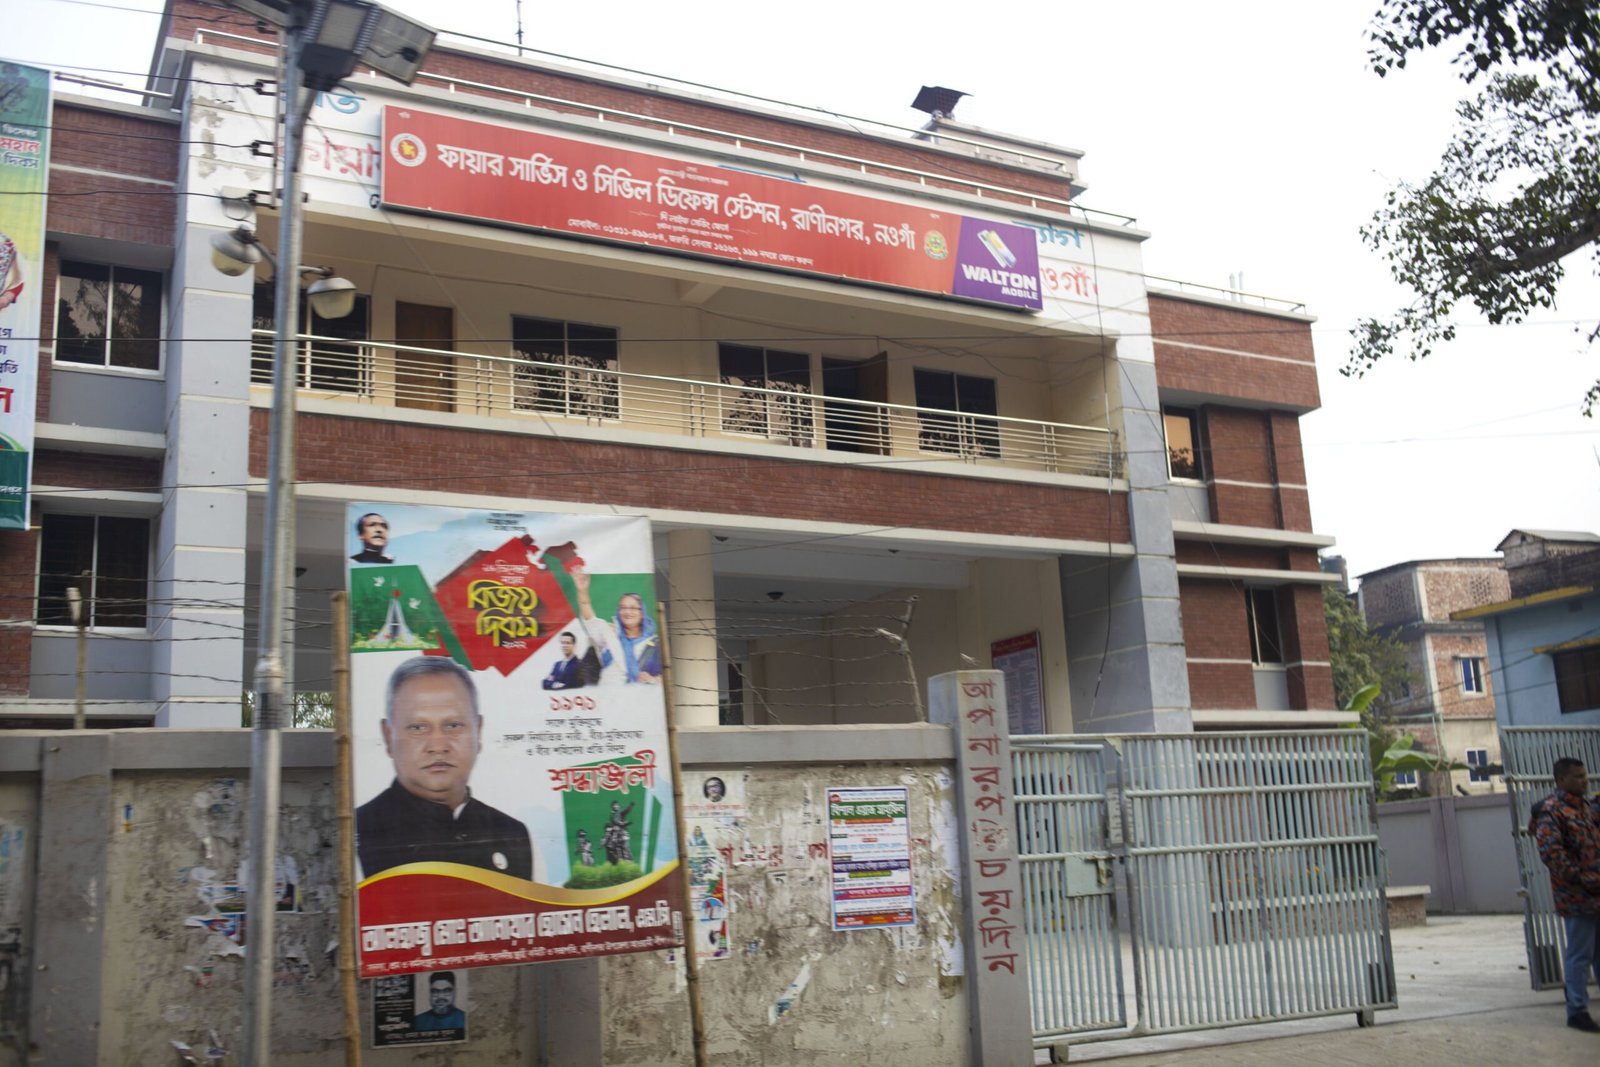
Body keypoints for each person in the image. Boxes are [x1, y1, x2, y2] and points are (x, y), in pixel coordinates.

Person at [356, 656, 532, 879]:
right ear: (388, 736)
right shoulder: (357, 835)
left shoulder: (514, 834)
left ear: (478, 731)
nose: (438, 746)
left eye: (453, 725)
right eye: (418, 727)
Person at [1531, 756, 1600, 1033]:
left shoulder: (1587, 807)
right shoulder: (1552, 811)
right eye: (1578, 777)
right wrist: (1581, 878)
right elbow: (1551, 852)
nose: (1585, 781)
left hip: (1596, 892)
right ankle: (1577, 1010)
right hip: (1577, 896)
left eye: (1585, 775)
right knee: (1579, 955)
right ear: (1561, 780)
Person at [572, 568, 660, 684]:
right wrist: (582, 591)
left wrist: (653, 680)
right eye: (623, 608)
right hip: (608, 693)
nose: (627, 612)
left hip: (640, 694)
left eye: (633, 608)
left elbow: (667, 675)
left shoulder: (654, 643)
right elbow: (589, 619)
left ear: (642, 613)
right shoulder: (609, 633)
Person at [602, 799, 635, 865]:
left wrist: (630, 806)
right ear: (612, 807)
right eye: (614, 805)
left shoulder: (620, 812)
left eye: (617, 805)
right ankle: (620, 861)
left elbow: (626, 811)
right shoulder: (613, 814)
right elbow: (615, 822)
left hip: (622, 833)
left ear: (619, 806)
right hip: (616, 835)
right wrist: (623, 824)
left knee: (625, 847)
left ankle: (629, 861)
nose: (616, 806)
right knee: (616, 848)